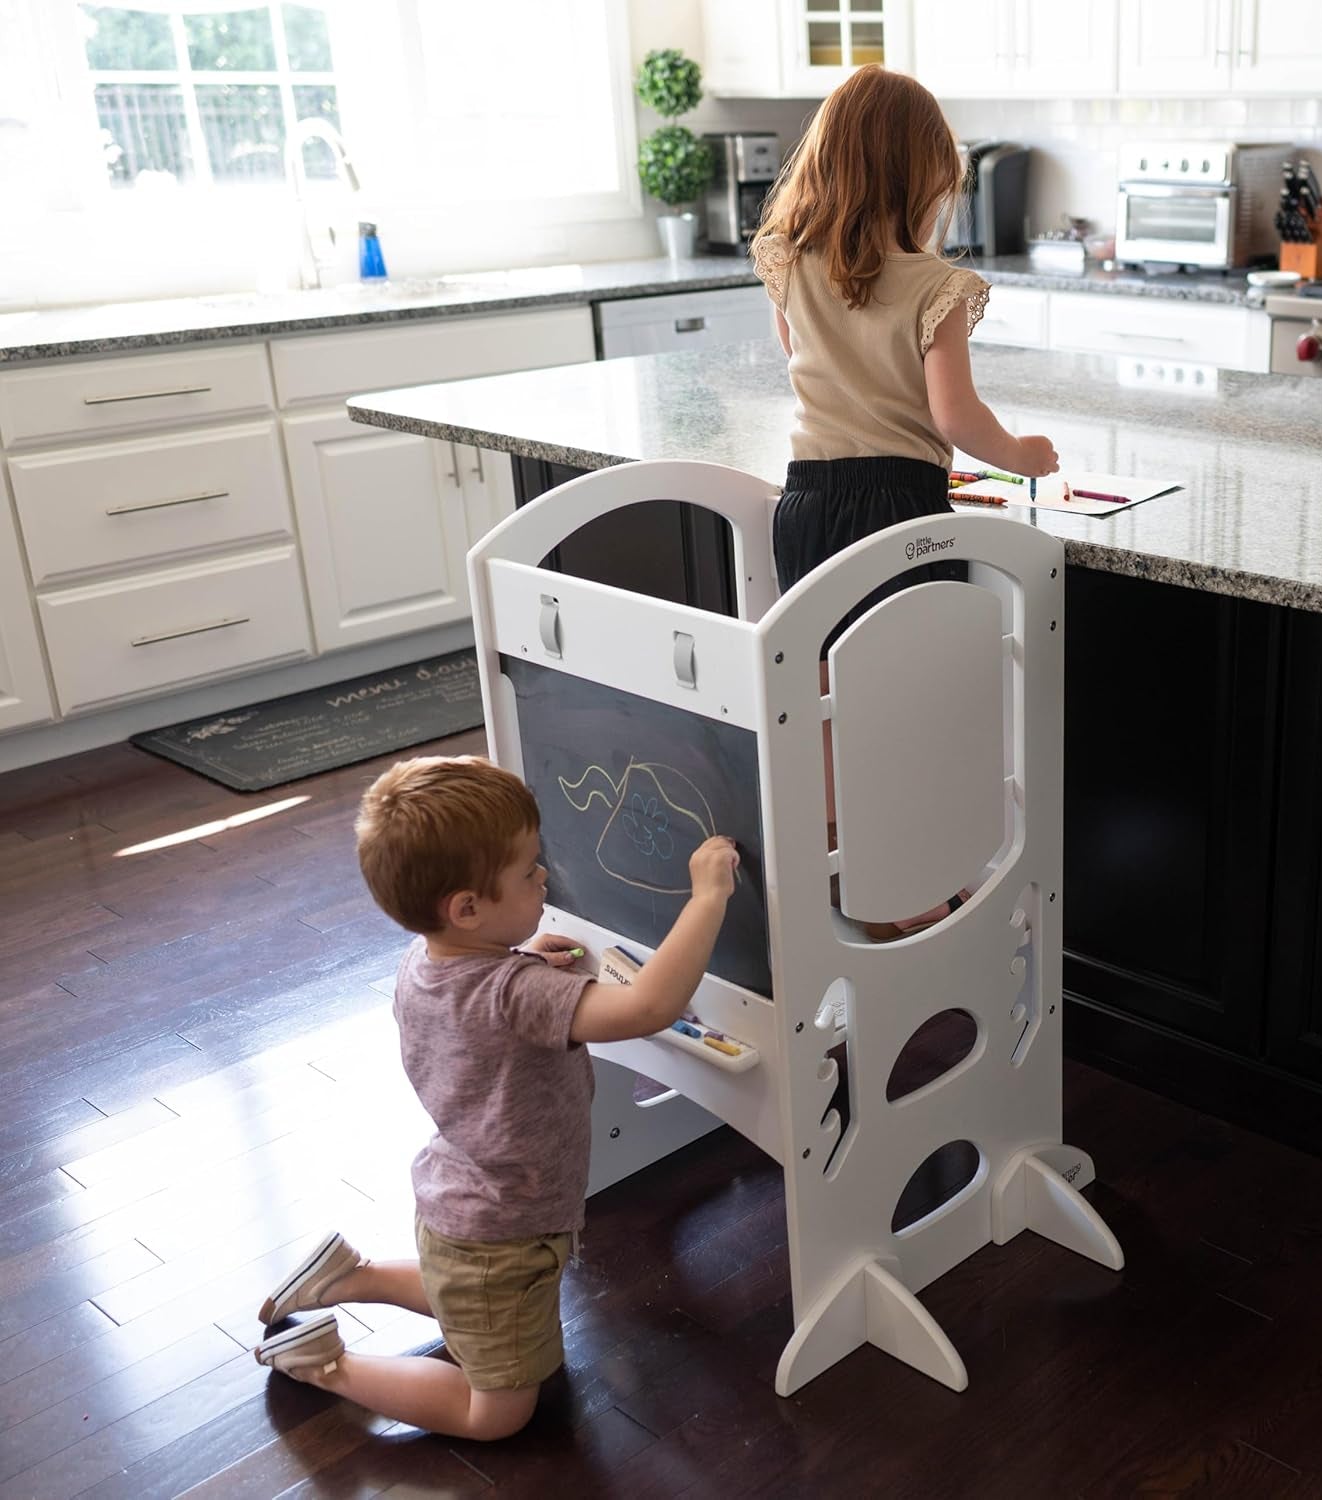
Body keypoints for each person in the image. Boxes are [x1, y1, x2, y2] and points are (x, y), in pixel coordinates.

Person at [251, 754, 739, 1441]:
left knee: (469, 1300)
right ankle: (327, 1365)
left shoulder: (428, 960)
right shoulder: (517, 993)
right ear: (468, 908)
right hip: (502, 1232)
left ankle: (347, 1278)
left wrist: (527, 956)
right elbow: (647, 1007)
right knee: (499, 1413)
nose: (544, 876)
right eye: (528, 870)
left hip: (471, 1211)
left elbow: (482, 1013)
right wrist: (708, 897)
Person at [749, 64, 1062, 938]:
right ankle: (913, 892)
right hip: (900, 515)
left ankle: (832, 871)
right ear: (921, 181)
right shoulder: (938, 288)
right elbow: (955, 418)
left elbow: (803, 359)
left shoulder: (788, 262)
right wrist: (1023, 456)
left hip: (807, 502)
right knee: (904, 703)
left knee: (822, 696)